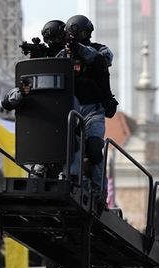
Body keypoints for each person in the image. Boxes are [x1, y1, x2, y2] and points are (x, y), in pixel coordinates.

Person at [57, 14, 117, 203]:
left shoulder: (100, 49)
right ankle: (73, 179)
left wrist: (79, 49)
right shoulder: (64, 53)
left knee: (93, 148)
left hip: (93, 110)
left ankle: (99, 191)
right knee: (70, 143)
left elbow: (103, 60)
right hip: (70, 107)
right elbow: (52, 66)